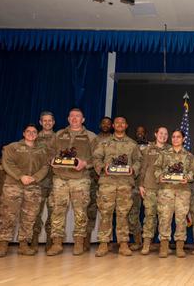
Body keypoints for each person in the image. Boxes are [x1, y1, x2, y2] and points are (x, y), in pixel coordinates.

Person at [47, 108, 96, 256]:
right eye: (72, 116)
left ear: (83, 119)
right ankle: (57, 243)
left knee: (80, 212)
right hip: (60, 178)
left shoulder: (91, 137)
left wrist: (85, 163)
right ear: (68, 119)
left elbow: (98, 157)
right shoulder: (59, 134)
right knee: (57, 210)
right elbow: (49, 151)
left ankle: (79, 242)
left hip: (80, 179)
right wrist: (51, 161)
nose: (75, 119)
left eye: (78, 116)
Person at [0, 124, 49, 257]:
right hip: (13, 186)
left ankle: (24, 245)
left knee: (29, 218)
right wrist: (20, 176)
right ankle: (3, 245)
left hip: (33, 187)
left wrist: (35, 178)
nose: (31, 134)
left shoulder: (42, 150)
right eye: (28, 131)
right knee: (8, 216)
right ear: (24, 133)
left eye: (34, 132)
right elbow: (7, 163)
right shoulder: (12, 147)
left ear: (37, 134)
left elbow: (45, 166)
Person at [93, 116, 141, 257]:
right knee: (105, 213)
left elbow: (138, 161)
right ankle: (103, 243)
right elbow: (96, 158)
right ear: (113, 125)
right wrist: (103, 167)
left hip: (125, 184)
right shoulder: (104, 143)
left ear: (126, 126)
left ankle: (123, 243)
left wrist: (133, 169)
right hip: (107, 183)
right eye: (117, 122)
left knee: (123, 214)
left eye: (123, 122)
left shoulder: (132, 144)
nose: (120, 124)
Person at [154, 129, 194, 258]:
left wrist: (187, 177)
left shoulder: (189, 156)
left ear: (183, 139)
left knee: (181, 219)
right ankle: (164, 246)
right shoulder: (164, 154)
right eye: (173, 137)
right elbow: (156, 168)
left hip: (183, 192)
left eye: (178, 137)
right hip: (166, 191)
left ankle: (180, 247)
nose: (175, 139)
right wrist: (160, 176)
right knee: (165, 218)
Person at [138, 126, 170, 255]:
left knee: (165, 218)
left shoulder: (170, 150)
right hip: (150, 187)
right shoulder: (147, 149)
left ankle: (163, 245)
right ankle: (146, 244)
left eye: (166, 134)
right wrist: (141, 184)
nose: (163, 136)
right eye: (161, 133)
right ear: (156, 134)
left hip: (165, 188)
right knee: (149, 216)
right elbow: (143, 168)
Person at [85, 116, 113, 250]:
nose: (106, 125)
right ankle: (85, 241)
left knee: (107, 212)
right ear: (100, 125)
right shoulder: (94, 140)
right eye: (104, 123)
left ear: (111, 125)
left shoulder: (115, 140)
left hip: (110, 181)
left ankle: (106, 242)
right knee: (90, 210)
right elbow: (90, 158)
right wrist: (96, 173)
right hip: (93, 179)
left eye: (108, 123)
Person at [32, 111, 56, 251]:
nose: (47, 123)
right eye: (44, 121)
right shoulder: (33, 137)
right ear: (40, 122)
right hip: (39, 181)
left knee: (54, 213)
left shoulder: (59, 137)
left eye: (50, 121)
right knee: (36, 212)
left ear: (53, 122)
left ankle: (50, 242)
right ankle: (34, 240)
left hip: (55, 179)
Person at [128, 125, 148, 251]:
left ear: (146, 133)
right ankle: (137, 241)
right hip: (134, 185)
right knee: (133, 214)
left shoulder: (151, 147)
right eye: (138, 132)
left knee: (150, 214)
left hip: (149, 185)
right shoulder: (130, 146)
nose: (140, 133)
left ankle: (148, 242)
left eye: (142, 132)